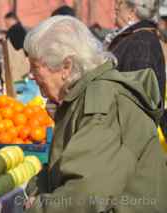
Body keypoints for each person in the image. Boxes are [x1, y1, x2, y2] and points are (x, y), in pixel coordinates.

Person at [23, 16, 167, 213]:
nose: (30, 74)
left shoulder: (102, 104)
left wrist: (38, 207)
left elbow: (86, 194)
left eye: (36, 66)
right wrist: (36, 187)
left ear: (66, 67)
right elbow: (67, 167)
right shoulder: (84, 96)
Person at [108, 0, 167, 135]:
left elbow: (140, 98)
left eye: (120, 4)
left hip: (131, 137)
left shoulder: (142, 41)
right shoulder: (135, 38)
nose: (115, 7)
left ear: (131, 11)